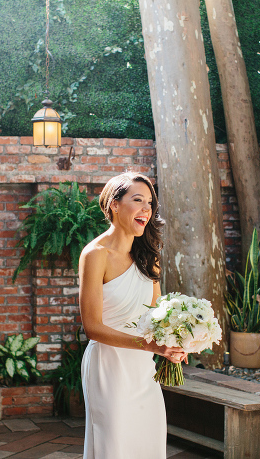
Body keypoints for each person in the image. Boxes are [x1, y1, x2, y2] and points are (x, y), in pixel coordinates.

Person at [78, 172, 187, 458]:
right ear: (114, 204)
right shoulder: (95, 255)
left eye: (150, 203)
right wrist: (152, 346)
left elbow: (158, 316)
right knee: (113, 446)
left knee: (146, 444)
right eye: (137, 200)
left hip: (142, 371)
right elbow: (92, 327)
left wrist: (174, 344)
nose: (146, 209)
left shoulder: (148, 257)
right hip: (108, 368)